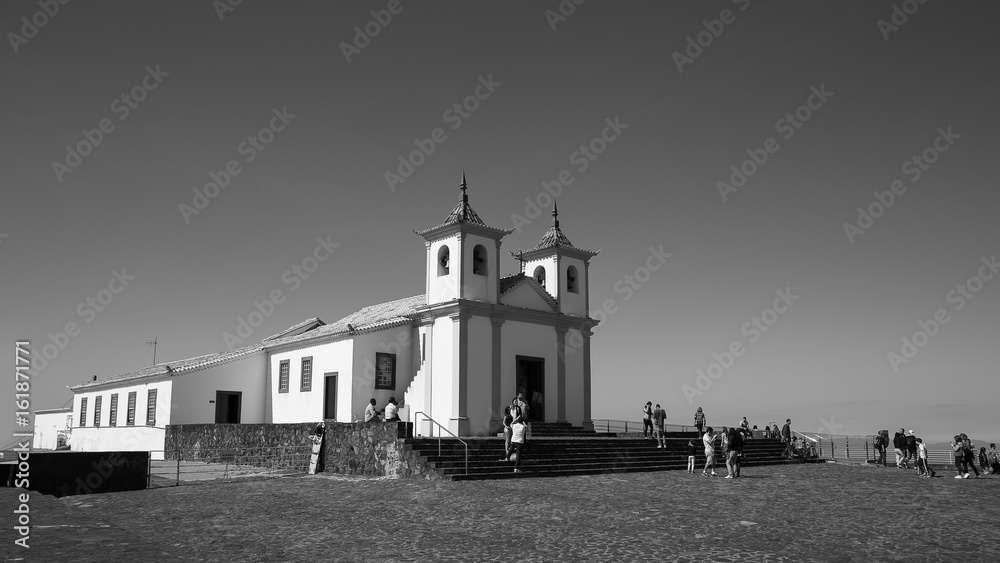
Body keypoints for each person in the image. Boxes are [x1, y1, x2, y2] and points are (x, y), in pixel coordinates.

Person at [510, 398, 527, 474]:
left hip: (514, 438)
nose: (516, 402)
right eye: (515, 401)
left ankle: (508, 456)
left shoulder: (514, 426)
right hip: (519, 441)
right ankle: (516, 467)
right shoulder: (523, 427)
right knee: (518, 454)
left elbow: (519, 415)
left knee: (512, 445)